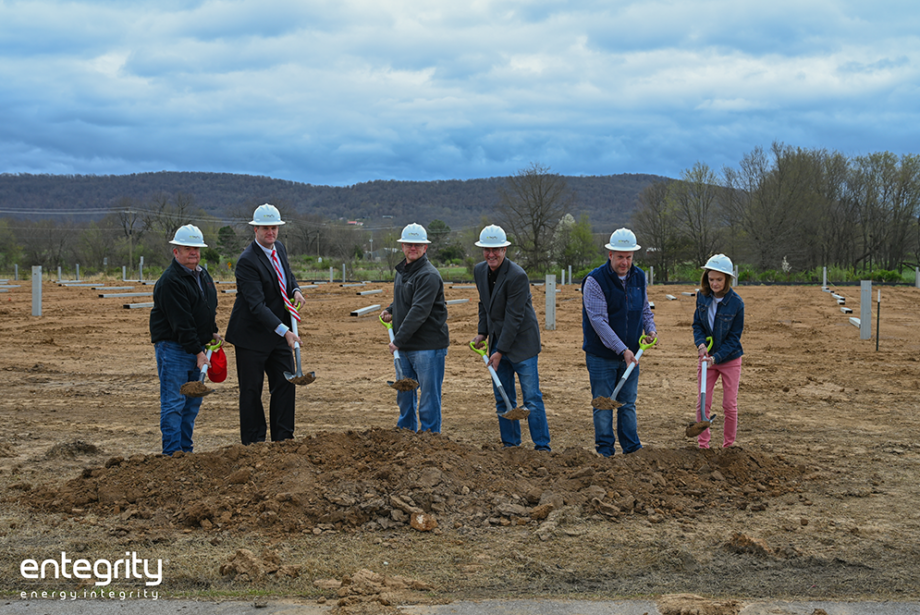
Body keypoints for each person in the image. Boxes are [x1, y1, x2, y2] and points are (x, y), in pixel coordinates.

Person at [225, 204, 306, 445]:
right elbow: (256, 306)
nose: (270, 232)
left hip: (279, 333)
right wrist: (286, 331)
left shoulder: (278, 248)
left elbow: (286, 275)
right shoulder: (247, 261)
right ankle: (254, 443)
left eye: (274, 227)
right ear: (255, 229)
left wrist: (295, 289)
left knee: (285, 383)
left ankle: (283, 440)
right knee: (252, 391)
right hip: (251, 336)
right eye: (265, 228)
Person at [470, 225, 551, 451]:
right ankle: (511, 446)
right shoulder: (479, 271)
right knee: (503, 398)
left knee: (531, 398)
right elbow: (483, 305)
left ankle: (542, 447)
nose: (491, 254)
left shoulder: (517, 276)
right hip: (498, 343)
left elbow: (514, 317)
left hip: (522, 345)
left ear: (505, 249)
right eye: (487, 249)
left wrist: (499, 351)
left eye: (496, 249)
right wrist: (482, 332)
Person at [582, 228, 658, 457]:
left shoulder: (639, 277)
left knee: (627, 404)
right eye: (620, 257)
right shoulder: (595, 281)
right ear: (610, 254)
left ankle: (632, 449)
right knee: (603, 404)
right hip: (601, 356)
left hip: (631, 354)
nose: (625, 262)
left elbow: (644, 307)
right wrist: (622, 349)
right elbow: (598, 321)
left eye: (629, 257)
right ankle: (605, 451)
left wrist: (650, 329)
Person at [150, 224, 220, 456]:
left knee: (191, 404)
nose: (194, 252)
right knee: (174, 404)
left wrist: (211, 331)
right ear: (176, 252)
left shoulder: (202, 275)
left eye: (197, 248)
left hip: (195, 345)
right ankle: (172, 455)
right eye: (188, 248)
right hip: (175, 348)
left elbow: (205, 308)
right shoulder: (171, 281)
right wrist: (198, 353)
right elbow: (181, 321)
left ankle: (185, 452)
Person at [380, 223, 449, 433]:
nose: (413, 248)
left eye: (417, 245)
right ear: (402, 246)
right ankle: (406, 435)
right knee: (405, 394)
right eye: (409, 244)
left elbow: (419, 310)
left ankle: (429, 439)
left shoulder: (428, 275)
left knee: (428, 398)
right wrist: (391, 309)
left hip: (427, 347)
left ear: (425, 248)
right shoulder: (402, 271)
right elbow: (406, 299)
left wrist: (397, 341)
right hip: (407, 346)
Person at [692, 254, 745, 449]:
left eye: (719, 279)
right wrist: (700, 345)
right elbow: (697, 325)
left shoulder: (737, 304)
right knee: (703, 402)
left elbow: (734, 338)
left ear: (728, 279)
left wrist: (717, 357)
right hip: (706, 359)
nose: (714, 283)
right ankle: (703, 445)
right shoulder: (702, 297)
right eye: (711, 278)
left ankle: (728, 446)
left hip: (729, 359)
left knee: (729, 405)